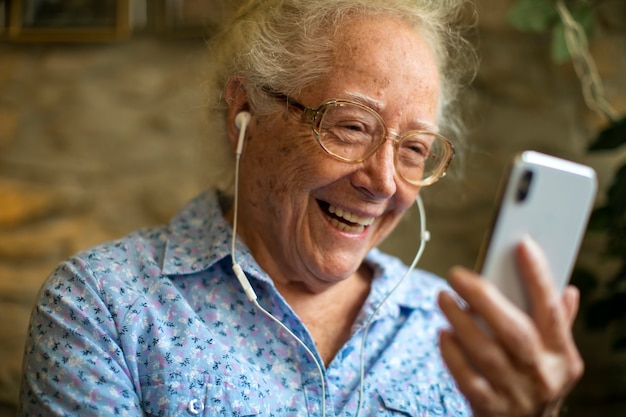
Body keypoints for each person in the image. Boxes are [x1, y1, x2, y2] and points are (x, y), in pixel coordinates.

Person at [19, 0, 584, 416]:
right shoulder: (103, 306)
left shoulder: (456, 332)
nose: (383, 183)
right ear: (245, 112)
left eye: (414, 149)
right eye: (351, 127)